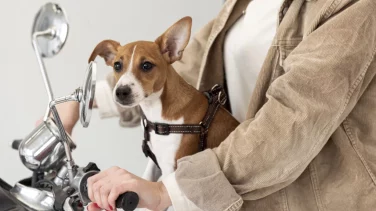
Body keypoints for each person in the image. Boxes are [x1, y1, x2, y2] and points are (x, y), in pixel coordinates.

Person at [53, 0, 376, 210]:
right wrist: (83, 100)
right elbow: (188, 67)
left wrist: (172, 191)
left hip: (315, 197)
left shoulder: (355, 6)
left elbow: (296, 115)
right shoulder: (243, 4)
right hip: (233, 193)